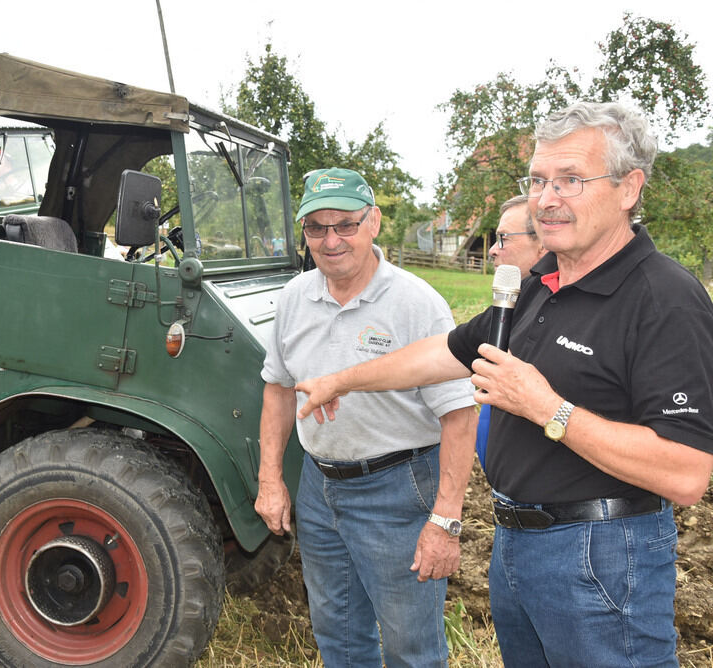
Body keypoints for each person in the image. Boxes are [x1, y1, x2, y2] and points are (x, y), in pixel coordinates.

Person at [295, 102, 713, 667]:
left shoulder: (663, 297)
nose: (547, 198)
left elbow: (686, 472)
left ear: (628, 188)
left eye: (570, 180)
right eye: (539, 180)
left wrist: (547, 408)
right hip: (517, 544)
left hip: (603, 555)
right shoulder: (542, 281)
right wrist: (339, 381)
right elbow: (441, 355)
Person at [256, 167, 475, 667]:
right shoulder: (293, 298)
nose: (331, 240)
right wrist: (271, 478)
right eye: (317, 228)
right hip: (319, 485)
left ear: (373, 222)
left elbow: (460, 416)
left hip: (397, 488)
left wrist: (445, 520)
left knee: (411, 647)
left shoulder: (417, 305)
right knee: (338, 631)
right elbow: (277, 389)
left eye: (345, 225)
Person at [476, 195, 547, 467]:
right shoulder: (510, 306)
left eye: (503, 238)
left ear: (542, 242)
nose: (493, 250)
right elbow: (446, 351)